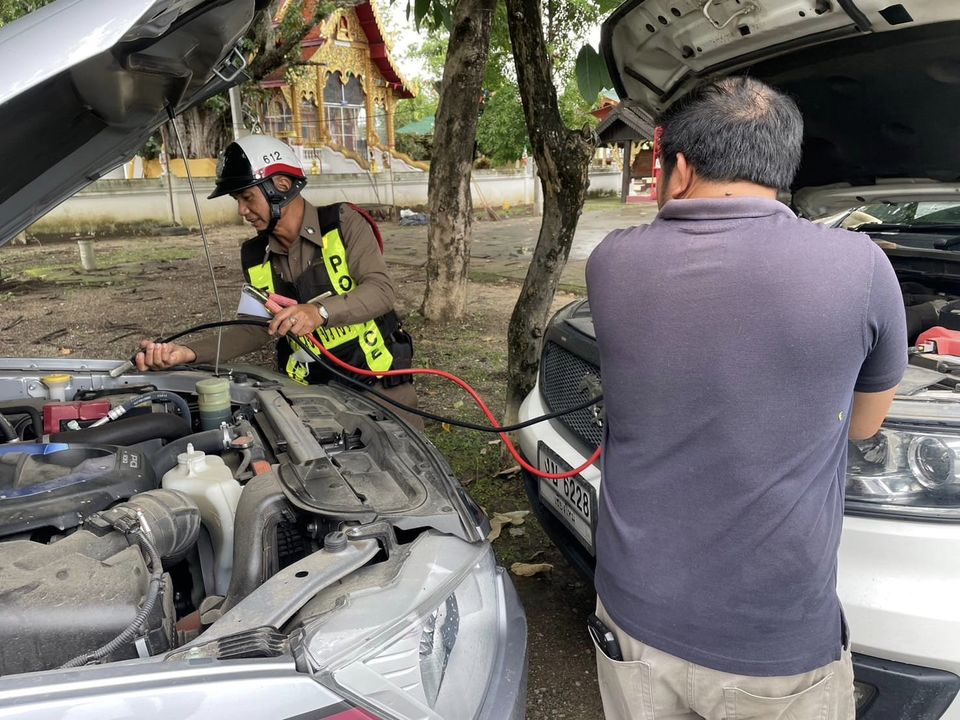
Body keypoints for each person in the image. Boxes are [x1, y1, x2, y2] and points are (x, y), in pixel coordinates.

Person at [585, 77, 907, 720]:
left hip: (633, 615)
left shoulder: (609, 261)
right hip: (771, 640)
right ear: (784, 169)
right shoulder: (861, 266)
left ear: (679, 168)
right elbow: (865, 424)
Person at [136, 135, 423, 429]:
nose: (242, 211)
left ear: (281, 185)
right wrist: (188, 353)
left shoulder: (342, 222)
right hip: (312, 398)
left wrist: (319, 312)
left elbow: (380, 291)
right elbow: (255, 327)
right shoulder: (254, 255)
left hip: (380, 387)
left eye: (247, 198)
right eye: (237, 200)